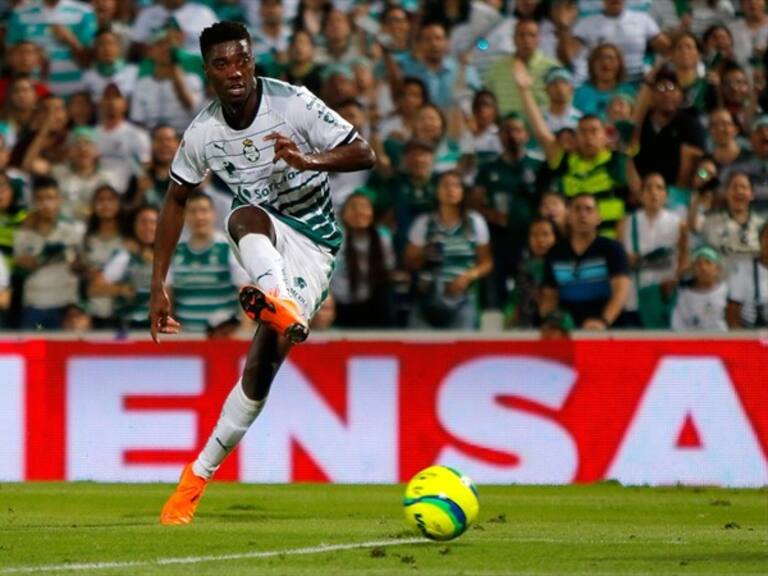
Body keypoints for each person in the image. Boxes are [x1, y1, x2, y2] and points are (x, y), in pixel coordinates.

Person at [149, 22, 375, 525]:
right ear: (207, 71)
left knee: (259, 372)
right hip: (264, 237)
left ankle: (279, 306)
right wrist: (158, 285)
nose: (235, 72)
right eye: (222, 63)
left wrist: (308, 157)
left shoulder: (292, 103)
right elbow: (175, 198)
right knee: (240, 216)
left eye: (242, 60)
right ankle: (192, 484)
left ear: (254, 60)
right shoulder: (204, 133)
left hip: (314, 244)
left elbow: (365, 153)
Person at [404, 170, 493, 329]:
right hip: (427, 298)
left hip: (462, 298)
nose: (450, 189)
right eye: (445, 185)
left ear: (462, 192)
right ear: (437, 191)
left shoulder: (475, 222)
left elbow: (486, 262)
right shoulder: (423, 223)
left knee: (461, 349)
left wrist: (468, 276)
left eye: (456, 185)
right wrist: (424, 254)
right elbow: (409, 261)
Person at [540, 193, 631, 329]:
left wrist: (603, 321)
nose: (583, 214)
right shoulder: (555, 253)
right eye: (577, 209)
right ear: (569, 217)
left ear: (599, 218)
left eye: (589, 209)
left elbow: (621, 291)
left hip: (608, 330)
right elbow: (550, 295)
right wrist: (551, 321)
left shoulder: (613, 249)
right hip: (567, 330)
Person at [172, 191, 248, 332]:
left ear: (214, 214)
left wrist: (243, 336)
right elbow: (168, 295)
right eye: (192, 212)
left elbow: (245, 293)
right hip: (185, 338)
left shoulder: (229, 248)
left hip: (222, 340)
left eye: (204, 211)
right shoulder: (175, 251)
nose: (199, 217)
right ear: (184, 216)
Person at [617, 173, 687, 328]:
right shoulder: (627, 222)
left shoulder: (678, 224)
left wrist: (675, 280)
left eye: (659, 188)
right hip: (635, 296)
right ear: (641, 195)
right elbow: (619, 259)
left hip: (665, 296)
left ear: (666, 195)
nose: (654, 192)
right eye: (648, 188)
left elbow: (684, 259)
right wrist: (627, 259)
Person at [13, 177, 83, 330]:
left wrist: (77, 263)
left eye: (50, 198)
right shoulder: (23, 234)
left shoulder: (73, 231)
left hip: (65, 305)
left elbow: (81, 267)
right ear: (33, 201)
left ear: (59, 200)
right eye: (40, 199)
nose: (46, 204)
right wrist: (44, 256)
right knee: (33, 352)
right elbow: (20, 266)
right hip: (34, 305)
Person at [331, 192, 395, 328]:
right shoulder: (334, 238)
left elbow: (388, 268)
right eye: (353, 207)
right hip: (341, 303)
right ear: (343, 214)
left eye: (364, 207)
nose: (359, 212)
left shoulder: (382, 237)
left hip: (372, 302)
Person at [672, 245, 728, 331]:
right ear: (692, 270)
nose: (703, 268)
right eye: (698, 264)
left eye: (708, 263)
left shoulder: (726, 292)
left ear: (717, 268)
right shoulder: (684, 296)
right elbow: (679, 327)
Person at [726, 221, 768, 328]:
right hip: (752, 335)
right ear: (759, 240)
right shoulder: (742, 269)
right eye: (766, 237)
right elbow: (732, 313)